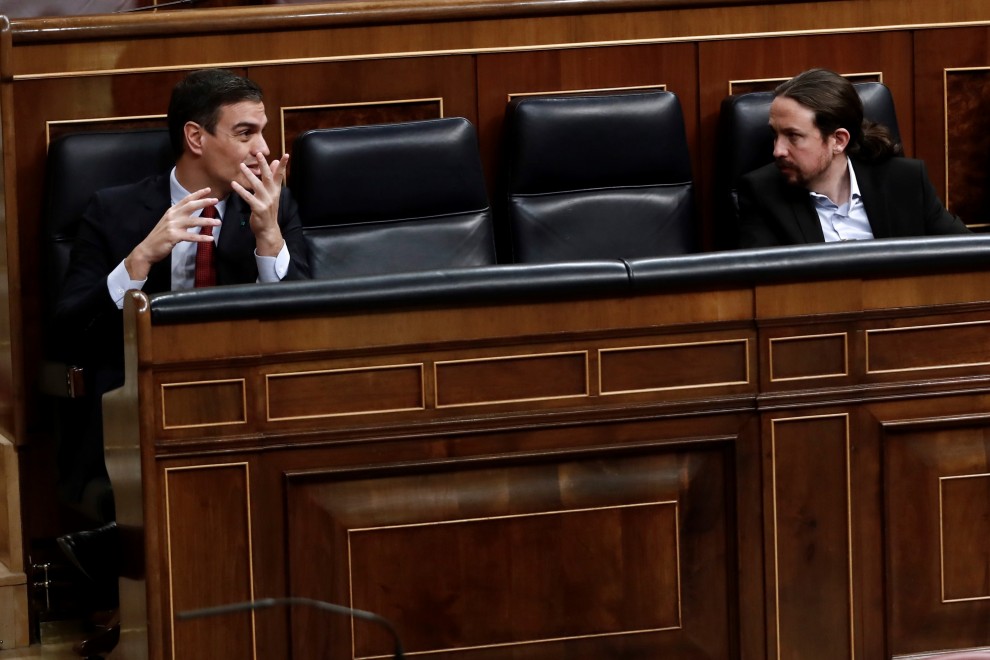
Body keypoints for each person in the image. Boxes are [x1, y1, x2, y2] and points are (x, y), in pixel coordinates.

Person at [51, 68, 310, 654]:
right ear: (197, 138)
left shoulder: (272, 205)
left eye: (263, 133)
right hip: (139, 397)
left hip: (247, 392)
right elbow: (67, 329)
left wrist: (270, 241)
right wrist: (139, 259)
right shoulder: (115, 210)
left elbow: (312, 316)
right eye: (245, 133)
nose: (263, 150)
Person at [737, 68, 969, 248]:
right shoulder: (762, 193)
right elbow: (762, 286)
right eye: (775, 134)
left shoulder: (905, 181)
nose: (777, 150)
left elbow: (969, 254)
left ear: (838, 140)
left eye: (793, 136)